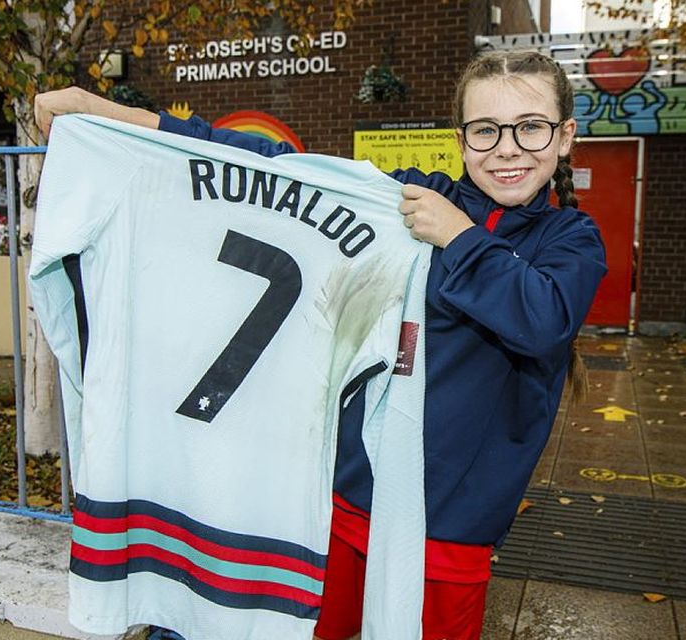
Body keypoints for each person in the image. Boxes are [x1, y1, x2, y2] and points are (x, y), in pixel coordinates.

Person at [35, 50, 607, 640]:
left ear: (564, 137)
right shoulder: (410, 201)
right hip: (345, 502)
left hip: (451, 528)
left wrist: (458, 238)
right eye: (486, 130)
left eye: (530, 127)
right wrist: (100, 111)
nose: (508, 148)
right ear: (460, 140)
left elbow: (542, 317)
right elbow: (275, 166)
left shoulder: (572, 239)